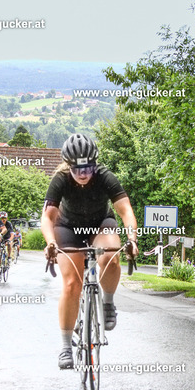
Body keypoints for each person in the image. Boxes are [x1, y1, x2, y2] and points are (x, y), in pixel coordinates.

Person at [41, 133, 139, 369]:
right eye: (77, 169)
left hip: (100, 224)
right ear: (68, 166)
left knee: (111, 256)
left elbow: (125, 210)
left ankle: (108, 302)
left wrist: (132, 239)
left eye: (88, 168)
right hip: (68, 227)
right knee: (71, 284)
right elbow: (48, 217)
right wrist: (51, 242)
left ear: (95, 164)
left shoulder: (105, 176)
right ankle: (66, 346)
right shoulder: (60, 179)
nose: (83, 174)